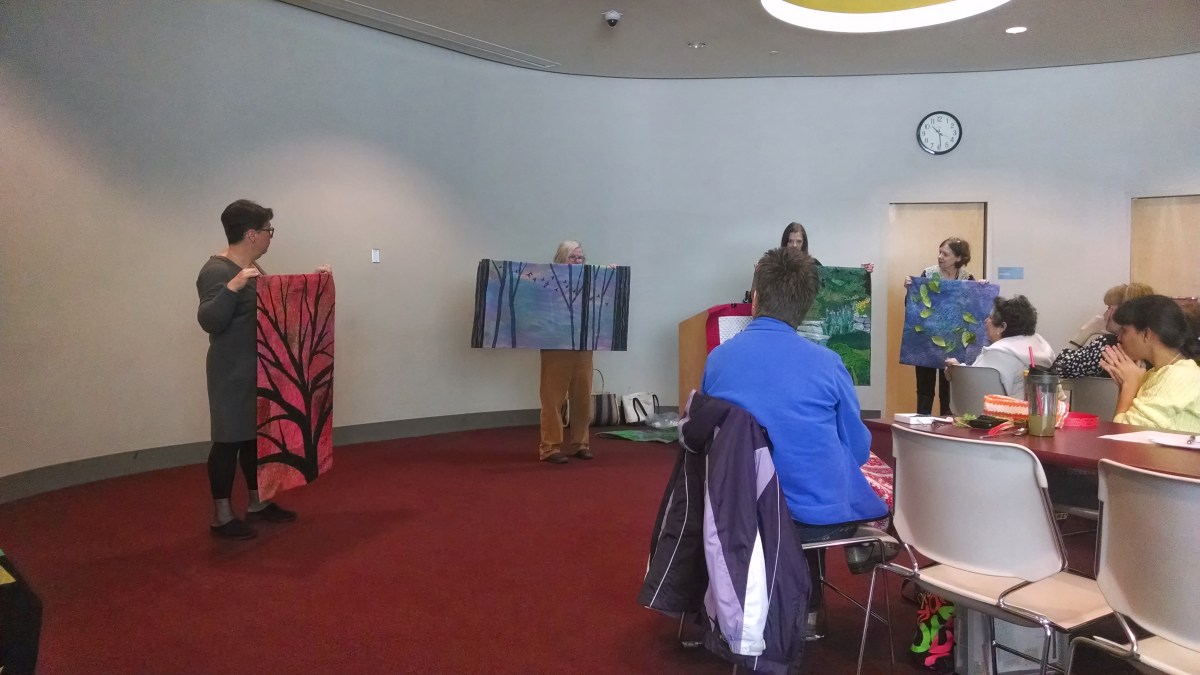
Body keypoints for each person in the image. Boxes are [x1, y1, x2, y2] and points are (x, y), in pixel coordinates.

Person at [702, 247, 888, 639]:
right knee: (859, 472)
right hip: (813, 521)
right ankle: (819, 594)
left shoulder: (718, 360)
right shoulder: (827, 363)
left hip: (736, 513)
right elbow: (857, 450)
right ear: (805, 308)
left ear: (755, 297)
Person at [196, 199, 330, 540]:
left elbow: (278, 307)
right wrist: (232, 288)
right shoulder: (217, 271)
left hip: (260, 369)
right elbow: (209, 319)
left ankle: (257, 502)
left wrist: (316, 283)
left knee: (255, 440)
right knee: (228, 441)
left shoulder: (252, 267)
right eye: (269, 230)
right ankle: (222, 516)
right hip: (232, 373)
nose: (271, 236)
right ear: (252, 234)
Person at [1100, 295, 1200, 433]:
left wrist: (1129, 386)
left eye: (1124, 330)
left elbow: (1126, 435)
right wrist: (1126, 386)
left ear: (1146, 334)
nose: (1119, 338)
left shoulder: (1180, 375)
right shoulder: (1153, 374)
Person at [537, 240, 595, 464]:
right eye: (573, 257)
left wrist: (611, 274)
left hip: (583, 346)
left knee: (582, 398)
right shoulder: (548, 281)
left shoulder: (590, 281)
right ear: (561, 259)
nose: (577, 261)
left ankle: (581, 444)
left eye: (580, 257)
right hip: (556, 346)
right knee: (552, 399)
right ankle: (550, 448)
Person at [905, 237, 976, 415]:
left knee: (949, 391)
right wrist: (910, 290)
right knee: (925, 389)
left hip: (953, 342)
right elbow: (912, 306)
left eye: (945, 254)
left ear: (958, 258)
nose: (940, 257)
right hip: (928, 340)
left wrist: (982, 287)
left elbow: (974, 309)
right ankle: (922, 425)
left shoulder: (967, 279)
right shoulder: (928, 274)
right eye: (940, 252)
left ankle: (946, 426)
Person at [946, 295, 1053, 398]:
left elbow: (974, 391)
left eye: (990, 318)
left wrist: (957, 372)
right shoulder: (1041, 344)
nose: (986, 321)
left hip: (1006, 410)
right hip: (1041, 408)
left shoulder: (998, 353)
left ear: (1002, 327)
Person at [1050, 283, 1154, 378]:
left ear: (1121, 311)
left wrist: (1086, 331)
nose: (1105, 314)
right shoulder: (1151, 347)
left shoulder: (1107, 347)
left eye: (1109, 307)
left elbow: (1056, 370)